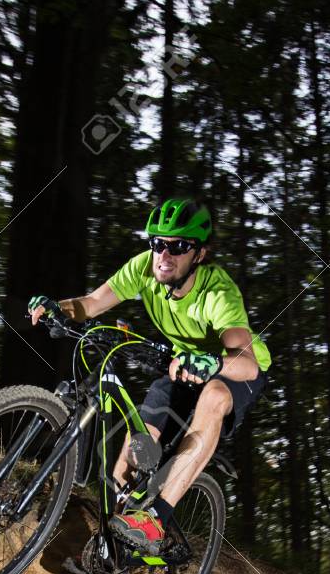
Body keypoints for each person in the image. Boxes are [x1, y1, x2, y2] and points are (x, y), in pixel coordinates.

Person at [28, 197, 271, 554]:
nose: (164, 255)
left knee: (215, 395)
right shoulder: (145, 268)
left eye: (178, 246)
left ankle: (157, 519)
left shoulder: (218, 292)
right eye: (157, 243)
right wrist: (57, 306)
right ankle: (114, 548)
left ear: (199, 255)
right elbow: (93, 302)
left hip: (229, 368)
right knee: (127, 459)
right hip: (181, 365)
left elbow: (247, 360)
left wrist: (211, 363)